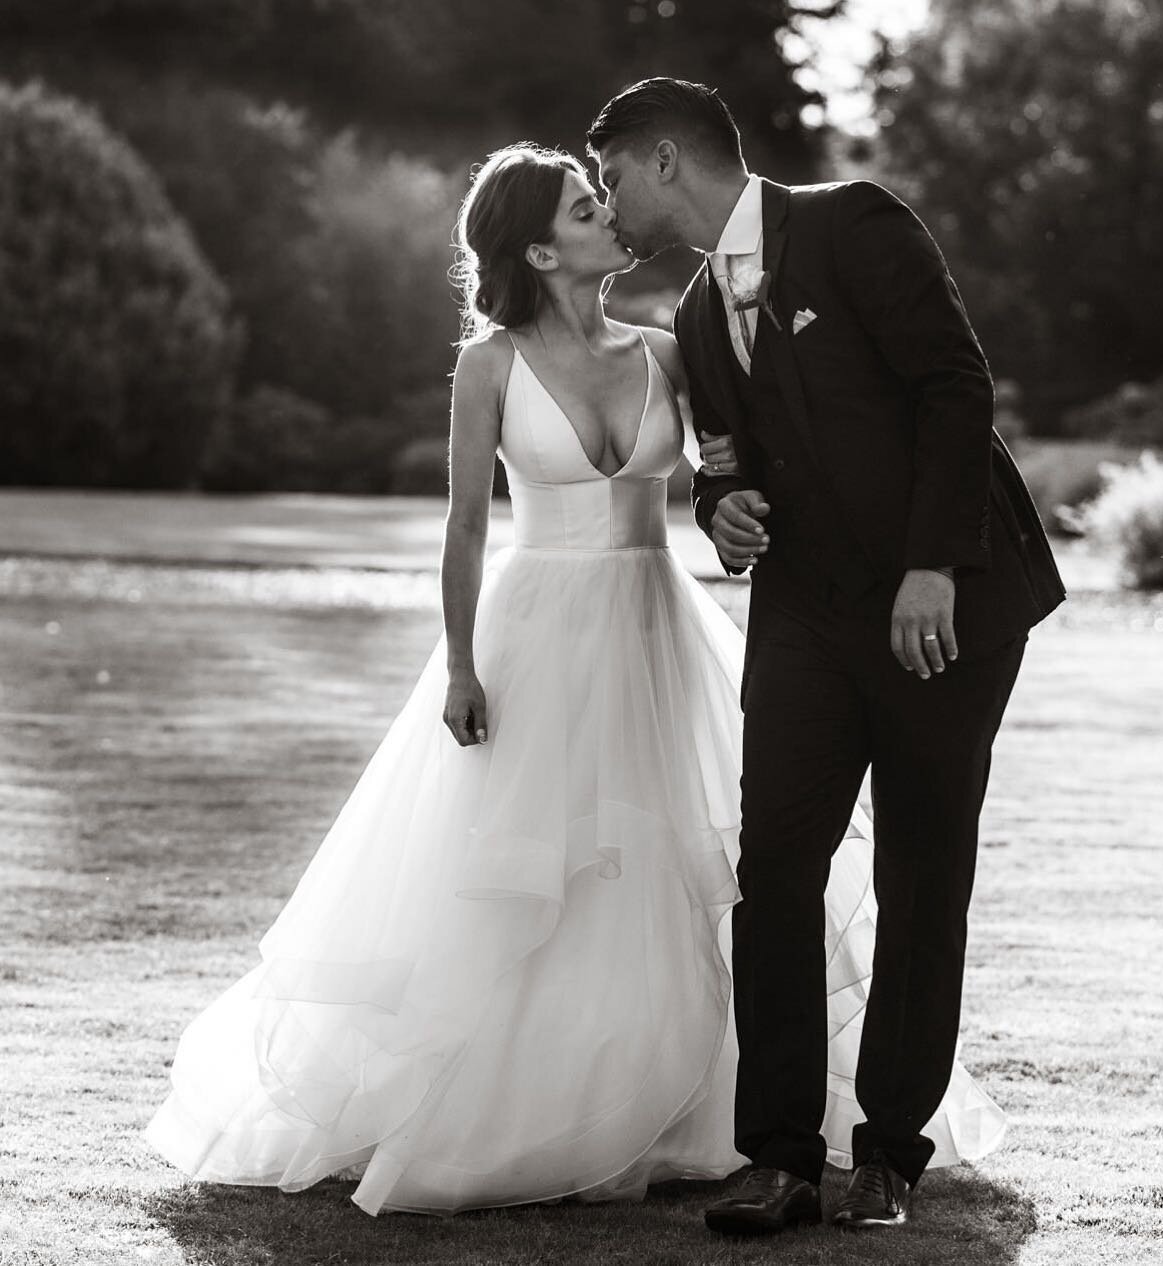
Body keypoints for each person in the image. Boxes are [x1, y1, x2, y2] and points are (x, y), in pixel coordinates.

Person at [143, 143, 1006, 1218]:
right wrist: (460, 663)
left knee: (665, 864)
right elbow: (464, 526)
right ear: (541, 248)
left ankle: (686, 1105)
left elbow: (721, 467)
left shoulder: (670, 347)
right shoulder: (488, 366)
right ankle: (516, 1105)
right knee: (530, 872)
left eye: (605, 196)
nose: (610, 215)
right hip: (534, 632)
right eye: (585, 208)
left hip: (653, 627)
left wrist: (729, 507)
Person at [588, 79, 1066, 1237]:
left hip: (942, 606)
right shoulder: (700, 312)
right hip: (804, 618)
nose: (607, 205)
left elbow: (957, 384)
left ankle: (889, 1156)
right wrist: (725, 511)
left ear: (663, 161)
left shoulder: (854, 222)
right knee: (776, 872)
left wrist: (933, 568)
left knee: (920, 872)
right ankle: (779, 1159)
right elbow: (721, 458)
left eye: (609, 180)